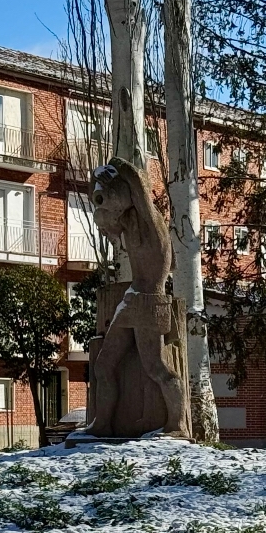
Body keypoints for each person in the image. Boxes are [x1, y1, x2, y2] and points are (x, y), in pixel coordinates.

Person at [88, 157, 189, 438]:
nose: (108, 234)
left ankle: (177, 425)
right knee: (104, 364)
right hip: (132, 300)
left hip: (150, 301)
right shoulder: (131, 224)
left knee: (156, 367)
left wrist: (118, 167)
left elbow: (138, 185)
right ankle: (102, 424)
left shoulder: (149, 221)